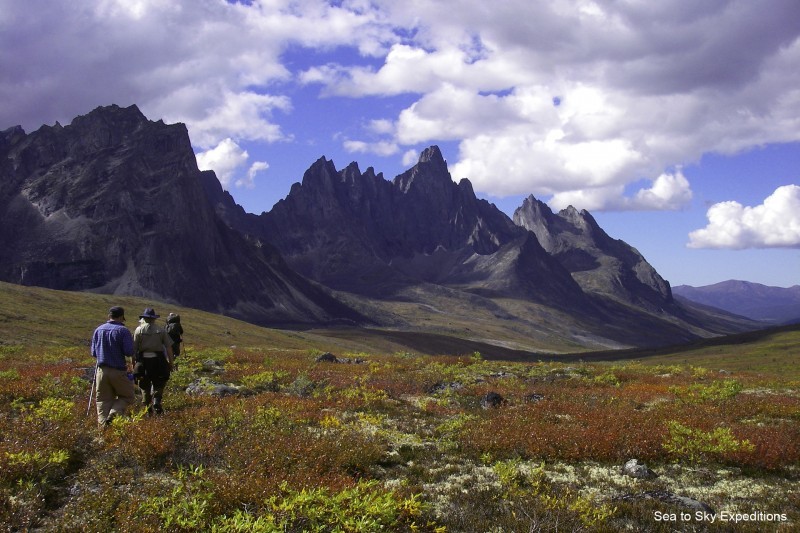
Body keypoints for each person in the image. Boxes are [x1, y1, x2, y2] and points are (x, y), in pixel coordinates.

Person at [91, 306, 136, 427]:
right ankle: (114, 413)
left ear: (109, 316)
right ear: (121, 317)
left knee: (102, 401)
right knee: (128, 397)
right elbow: (129, 351)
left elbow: (94, 353)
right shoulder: (123, 331)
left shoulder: (98, 330)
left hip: (101, 371)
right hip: (118, 370)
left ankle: (102, 430)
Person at [133, 308, 174, 415]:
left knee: (144, 383)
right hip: (159, 360)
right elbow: (169, 347)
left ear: (144, 318)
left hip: (143, 361)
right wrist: (171, 363)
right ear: (154, 319)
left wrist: (133, 364)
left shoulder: (138, 330)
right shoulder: (161, 330)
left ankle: (146, 404)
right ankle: (156, 400)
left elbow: (134, 349)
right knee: (160, 381)